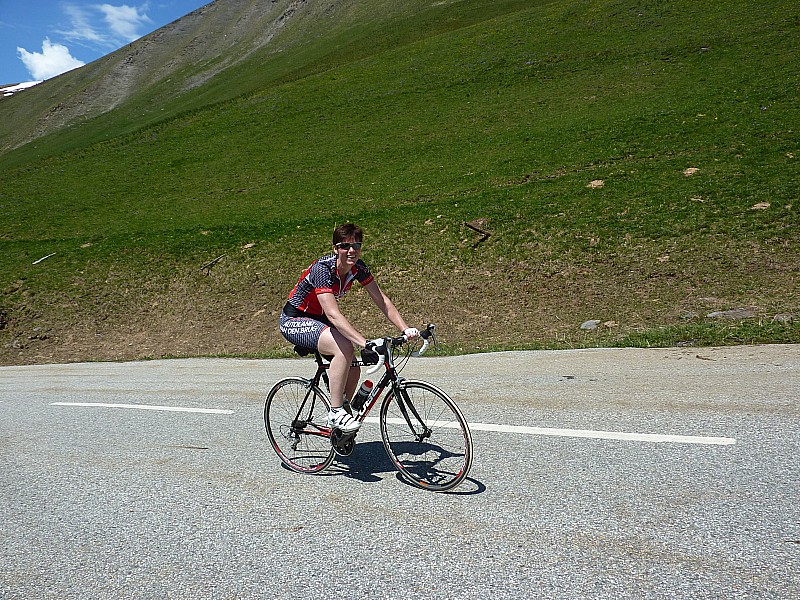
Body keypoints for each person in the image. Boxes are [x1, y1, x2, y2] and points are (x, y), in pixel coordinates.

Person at [279, 223, 419, 433]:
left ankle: (343, 412)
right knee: (344, 347)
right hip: (294, 319)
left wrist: (405, 329)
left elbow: (381, 300)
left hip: (319, 320)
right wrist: (366, 343)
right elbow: (334, 315)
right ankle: (336, 413)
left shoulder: (358, 268)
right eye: (345, 246)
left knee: (353, 368)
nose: (351, 251)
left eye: (356, 246)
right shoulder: (322, 269)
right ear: (335, 248)